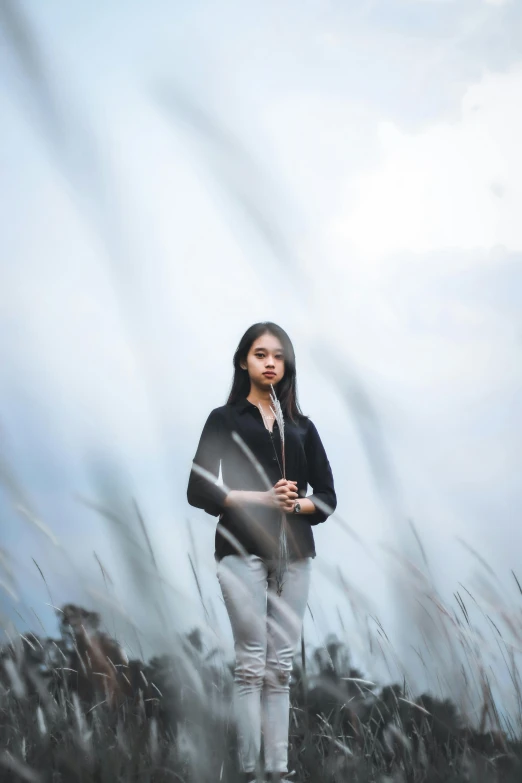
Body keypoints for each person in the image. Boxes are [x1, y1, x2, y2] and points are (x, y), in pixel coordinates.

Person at [187, 322, 337, 782]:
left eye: (278, 355)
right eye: (259, 354)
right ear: (242, 361)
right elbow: (198, 488)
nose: (270, 362)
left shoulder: (303, 428)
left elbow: (327, 497)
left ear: (286, 365)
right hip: (239, 547)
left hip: (295, 553)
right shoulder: (224, 419)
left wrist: (299, 503)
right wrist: (261, 498)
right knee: (251, 663)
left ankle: (279, 773)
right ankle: (249, 773)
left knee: (281, 667)